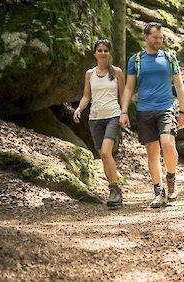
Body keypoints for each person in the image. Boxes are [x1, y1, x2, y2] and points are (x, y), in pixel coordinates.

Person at [120, 22, 184, 208]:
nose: (159, 40)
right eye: (155, 37)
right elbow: (129, 87)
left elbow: (179, 86)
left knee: (167, 143)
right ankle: (159, 192)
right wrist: (124, 111)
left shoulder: (169, 58)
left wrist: (182, 111)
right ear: (146, 37)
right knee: (152, 153)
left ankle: (171, 177)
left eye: (161, 37)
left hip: (166, 108)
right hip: (144, 110)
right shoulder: (136, 60)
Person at [73, 39, 125, 208]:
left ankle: (114, 189)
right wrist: (79, 109)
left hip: (113, 116)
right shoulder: (90, 74)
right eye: (99, 50)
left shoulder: (117, 72)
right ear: (95, 54)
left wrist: (124, 114)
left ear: (109, 54)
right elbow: (86, 95)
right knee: (103, 156)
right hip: (95, 119)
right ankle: (114, 191)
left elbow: (124, 95)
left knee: (105, 152)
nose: (102, 53)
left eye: (105, 50)